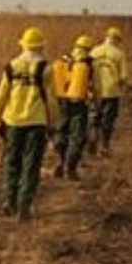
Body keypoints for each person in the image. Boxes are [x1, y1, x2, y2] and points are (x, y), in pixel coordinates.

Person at [0, 27, 60, 221]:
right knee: (31, 165)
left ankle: (8, 200)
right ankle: (24, 206)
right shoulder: (45, 68)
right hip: (36, 123)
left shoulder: (11, 66)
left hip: (12, 121)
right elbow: (51, 100)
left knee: (12, 162)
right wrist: (52, 123)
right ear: (41, 46)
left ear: (23, 44)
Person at [52, 34, 96, 181]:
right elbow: (93, 86)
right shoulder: (88, 64)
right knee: (77, 136)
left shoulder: (62, 60)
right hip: (78, 103)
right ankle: (71, 168)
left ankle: (60, 160)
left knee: (61, 131)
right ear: (89, 49)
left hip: (60, 101)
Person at [90, 26, 128, 157]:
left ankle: (92, 141)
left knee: (94, 118)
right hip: (112, 92)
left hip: (95, 91)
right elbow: (123, 77)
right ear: (117, 39)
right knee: (108, 120)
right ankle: (104, 147)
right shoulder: (119, 54)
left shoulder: (94, 51)